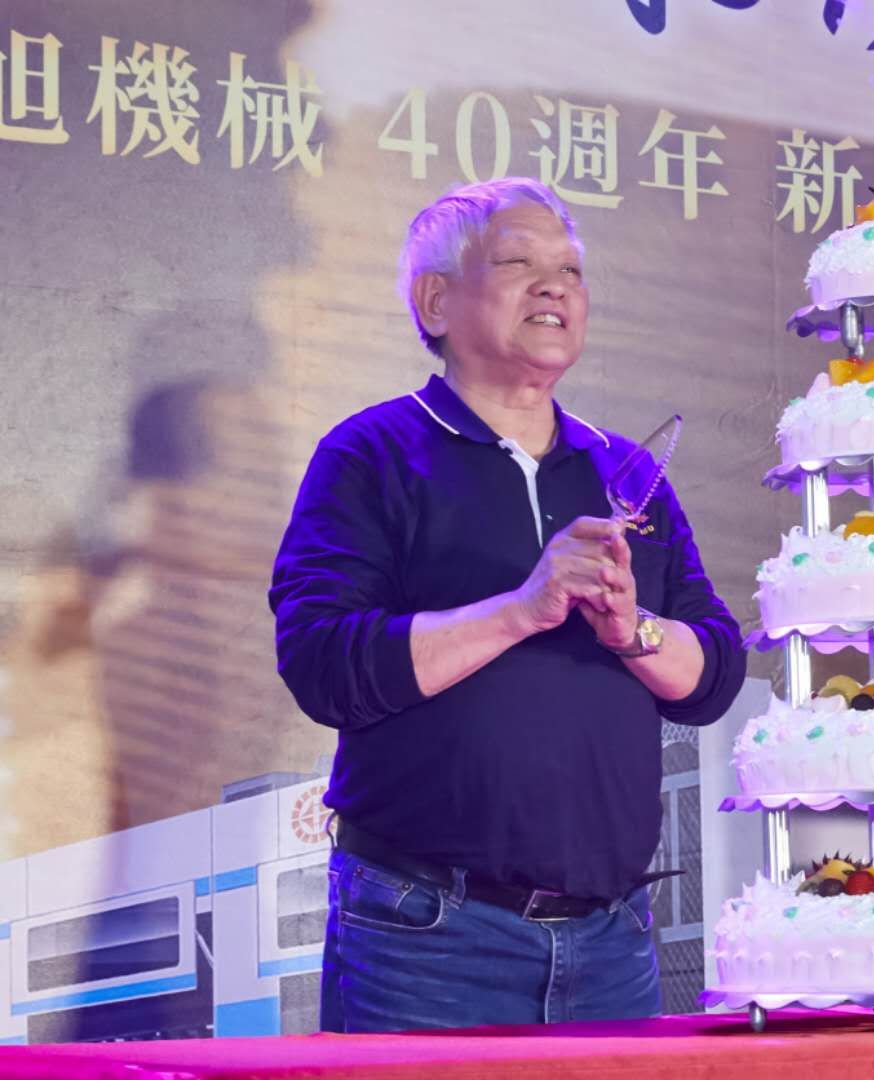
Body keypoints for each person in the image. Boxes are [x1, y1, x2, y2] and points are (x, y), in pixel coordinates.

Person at [268, 178, 746, 1031]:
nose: (555, 285)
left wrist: (632, 630)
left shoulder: (624, 470)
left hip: (612, 943)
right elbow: (322, 664)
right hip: (427, 939)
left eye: (571, 270)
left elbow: (714, 674)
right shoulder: (371, 453)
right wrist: (522, 608)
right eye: (519, 263)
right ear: (436, 300)